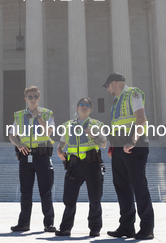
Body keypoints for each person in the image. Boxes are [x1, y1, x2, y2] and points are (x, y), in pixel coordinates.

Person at [103, 72, 154, 240]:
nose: (108, 89)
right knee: (122, 188)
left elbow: (141, 119)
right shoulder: (116, 102)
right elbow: (117, 127)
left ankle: (147, 228)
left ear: (115, 83)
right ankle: (126, 226)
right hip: (119, 147)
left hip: (133, 146)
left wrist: (133, 140)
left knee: (139, 187)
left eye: (108, 86)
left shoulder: (133, 94)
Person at [55, 98, 107, 237]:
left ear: (91, 109)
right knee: (69, 199)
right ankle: (65, 228)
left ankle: (95, 228)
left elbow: (103, 144)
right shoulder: (67, 125)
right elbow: (62, 143)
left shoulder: (97, 124)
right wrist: (59, 150)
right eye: (82, 105)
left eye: (87, 105)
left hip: (92, 165)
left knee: (95, 199)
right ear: (77, 107)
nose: (84, 107)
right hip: (74, 165)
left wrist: (93, 135)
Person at [8, 86, 56, 233]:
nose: (33, 99)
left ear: (39, 98)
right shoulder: (19, 115)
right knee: (25, 192)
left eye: (35, 96)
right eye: (30, 97)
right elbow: (11, 134)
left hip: (42, 156)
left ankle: (49, 224)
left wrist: (38, 117)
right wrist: (19, 144)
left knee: (45, 192)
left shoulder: (47, 113)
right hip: (26, 156)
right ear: (25, 99)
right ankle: (23, 224)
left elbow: (48, 132)